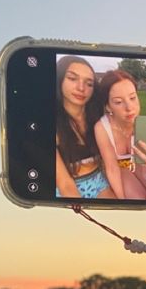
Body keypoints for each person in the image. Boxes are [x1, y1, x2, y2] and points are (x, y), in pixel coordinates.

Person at [55, 56, 121, 199]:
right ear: (59, 79)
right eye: (72, 79)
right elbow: (64, 183)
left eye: (89, 83)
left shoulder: (98, 117)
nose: (81, 88)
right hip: (67, 189)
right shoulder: (53, 124)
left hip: (100, 183)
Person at [95, 70, 146, 200]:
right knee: (138, 198)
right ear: (108, 107)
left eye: (132, 98)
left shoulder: (145, 126)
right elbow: (112, 168)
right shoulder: (102, 127)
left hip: (139, 167)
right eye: (118, 102)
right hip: (118, 170)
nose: (129, 107)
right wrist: (122, 202)